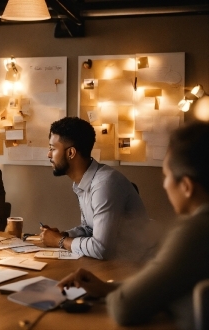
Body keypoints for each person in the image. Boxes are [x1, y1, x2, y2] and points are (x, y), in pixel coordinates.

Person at [57, 121, 209, 330]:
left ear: (186, 186)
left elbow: (124, 307)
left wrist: (118, 294)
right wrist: (106, 288)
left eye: (166, 177)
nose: (164, 185)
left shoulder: (194, 231)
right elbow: (167, 286)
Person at [41, 117, 156, 261]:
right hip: (117, 262)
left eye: (52, 148)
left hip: (138, 266)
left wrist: (59, 241)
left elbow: (101, 248)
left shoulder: (105, 184)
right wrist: (64, 235)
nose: (49, 154)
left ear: (71, 153)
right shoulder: (83, 182)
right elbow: (90, 229)